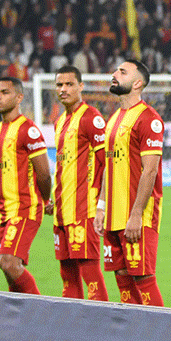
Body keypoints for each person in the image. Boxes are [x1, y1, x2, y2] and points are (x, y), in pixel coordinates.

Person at [93, 60, 164, 306]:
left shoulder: (148, 119)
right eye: (115, 70)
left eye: (122, 72)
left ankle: (160, 330)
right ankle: (134, 329)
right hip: (113, 215)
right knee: (122, 277)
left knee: (143, 277)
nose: (114, 74)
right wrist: (101, 206)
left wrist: (136, 214)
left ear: (137, 83)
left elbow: (150, 171)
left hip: (136, 216)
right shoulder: (114, 119)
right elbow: (108, 166)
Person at [49, 65, 109, 301]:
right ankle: (72, 323)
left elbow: (107, 164)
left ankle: (101, 322)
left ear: (81, 86)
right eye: (59, 85)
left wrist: (101, 205)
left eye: (69, 84)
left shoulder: (92, 118)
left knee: (90, 274)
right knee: (67, 277)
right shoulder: (60, 122)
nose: (63, 89)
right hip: (62, 211)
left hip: (84, 210)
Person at [0, 77, 52, 294]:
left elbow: (43, 173)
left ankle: (40, 310)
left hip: (25, 209)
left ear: (19, 98)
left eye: (4, 92)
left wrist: (46, 199)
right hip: (3, 212)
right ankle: (20, 313)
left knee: (8, 263)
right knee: (9, 270)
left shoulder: (28, 130)